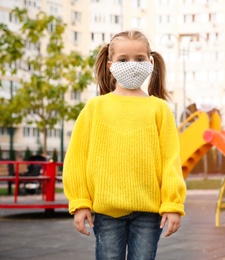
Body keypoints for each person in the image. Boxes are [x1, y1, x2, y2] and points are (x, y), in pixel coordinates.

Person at [63, 30, 186, 260]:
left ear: (150, 63)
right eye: (123, 59)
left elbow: (171, 160)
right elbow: (77, 158)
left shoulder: (159, 110)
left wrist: (172, 203)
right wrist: (79, 202)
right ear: (110, 65)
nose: (132, 64)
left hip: (149, 213)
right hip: (106, 211)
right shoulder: (95, 108)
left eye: (139, 59)